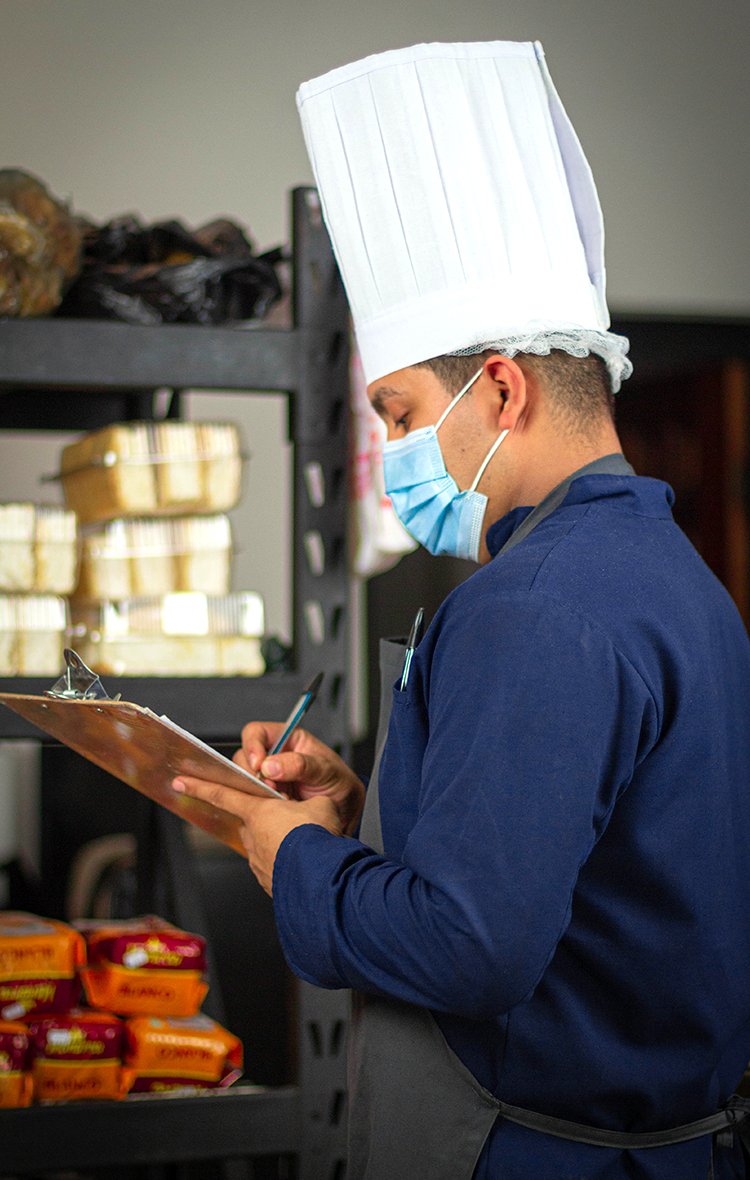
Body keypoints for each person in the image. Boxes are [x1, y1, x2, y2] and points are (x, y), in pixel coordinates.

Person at [171, 41, 750, 1179]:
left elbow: (470, 947)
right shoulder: (678, 577)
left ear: (499, 387)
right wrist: (359, 820)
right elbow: (585, 882)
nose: (390, 453)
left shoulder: (532, 604)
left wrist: (285, 853)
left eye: (397, 413)